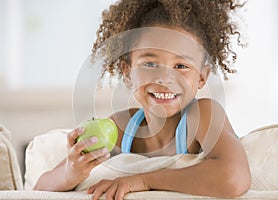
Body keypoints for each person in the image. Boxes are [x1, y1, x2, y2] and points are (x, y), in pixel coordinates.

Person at [34, 0, 251, 199]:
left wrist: (142, 180)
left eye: (181, 66)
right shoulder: (122, 127)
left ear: (202, 77)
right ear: (128, 72)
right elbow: (40, 189)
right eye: (149, 64)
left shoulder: (203, 114)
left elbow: (234, 178)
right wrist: (70, 171)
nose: (165, 79)